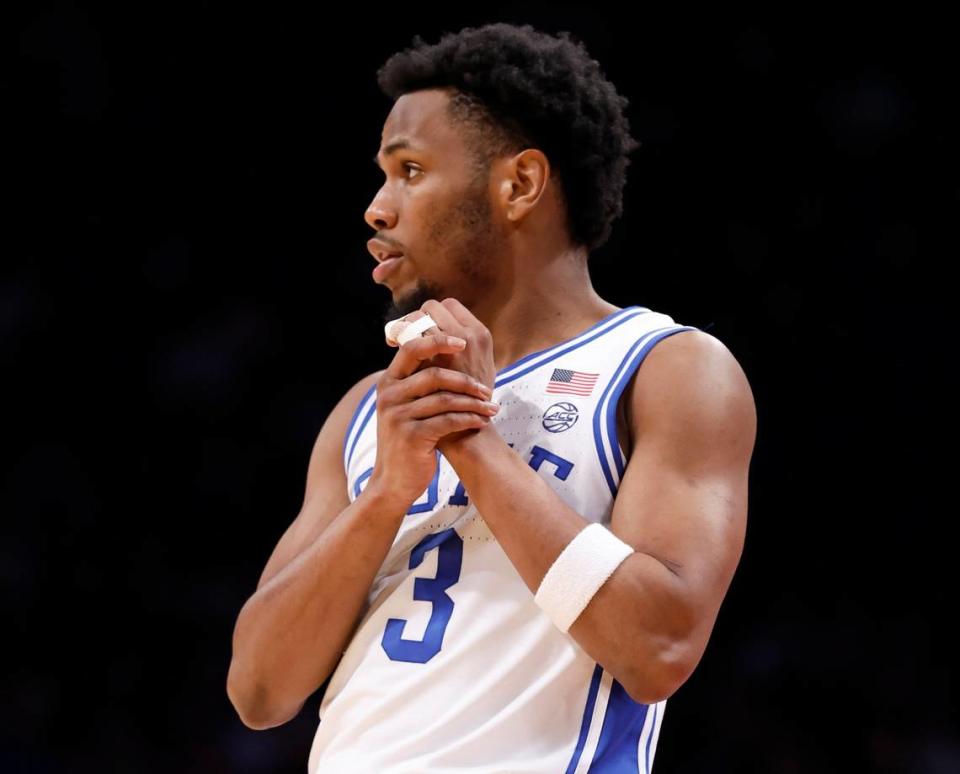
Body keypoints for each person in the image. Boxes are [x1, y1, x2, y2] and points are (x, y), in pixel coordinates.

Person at [227, 22, 756, 773]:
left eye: (409, 171)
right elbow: (259, 691)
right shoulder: (367, 408)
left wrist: (471, 440)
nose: (377, 210)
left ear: (519, 185)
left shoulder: (664, 369)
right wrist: (386, 497)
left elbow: (659, 647)